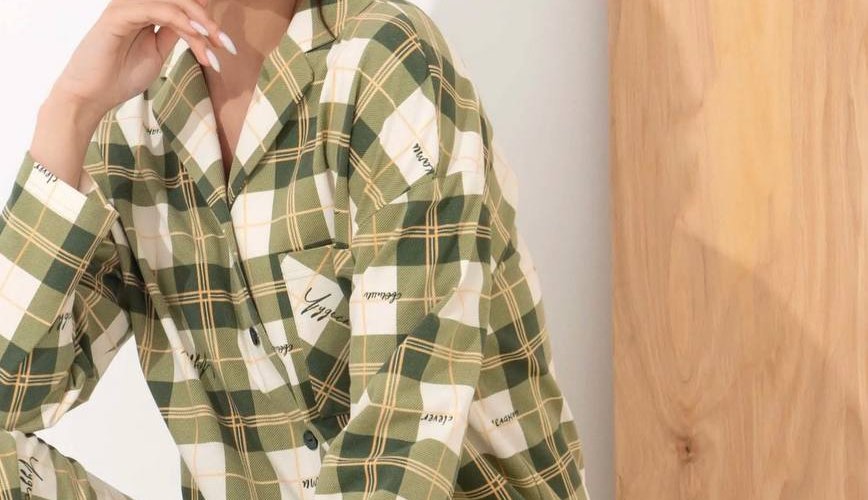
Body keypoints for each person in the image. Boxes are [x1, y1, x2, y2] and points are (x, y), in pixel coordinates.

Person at [0, 0, 591, 498]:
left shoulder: (382, 58)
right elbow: (11, 390)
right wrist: (70, 111)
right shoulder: (133, 125)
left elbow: (399, 446)